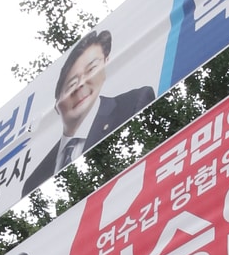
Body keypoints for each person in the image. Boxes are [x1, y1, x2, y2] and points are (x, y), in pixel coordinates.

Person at [23, 29, 156, 193]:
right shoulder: (35, 180)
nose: (81, 85)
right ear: (57, 104)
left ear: (106, 63)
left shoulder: (134, 103)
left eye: (92, 69)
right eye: (71, 84)